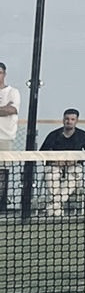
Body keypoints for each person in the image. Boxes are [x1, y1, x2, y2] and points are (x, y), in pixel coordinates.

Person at [39, 108, 85, 216]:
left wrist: (76, 160)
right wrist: (55, 161)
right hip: (55, 166)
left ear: (76, 121)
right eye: (67, 119)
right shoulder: (53, 135)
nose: (69, 121)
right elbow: (42, 153)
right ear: (63, 120)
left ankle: (53, 207)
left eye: (72, 119)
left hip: (74, 166)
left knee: (73, 177)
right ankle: (56, 209)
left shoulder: (83, 136)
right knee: (51, 176)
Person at [0, 62, 20, 211]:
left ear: (4, 74)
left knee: (2, 172)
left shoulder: (13, 92)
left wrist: (6, 109)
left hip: (4, 138)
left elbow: (12, 110)